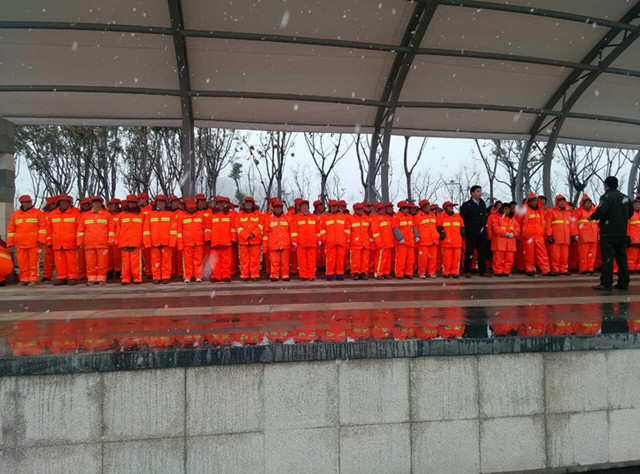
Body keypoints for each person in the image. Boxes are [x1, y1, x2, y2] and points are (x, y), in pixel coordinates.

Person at [590, 176, 632, 290]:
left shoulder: (606, 197)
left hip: (608, 233)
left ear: (606, 185)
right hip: (622, 232)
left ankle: (606, 282)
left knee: (608, 258)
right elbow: (630, 213)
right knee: (622, 258)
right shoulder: (625, 198)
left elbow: (602, 211)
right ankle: (624, 282)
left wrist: (592, 217)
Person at [6, 195, 46, 286]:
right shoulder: (16, 214)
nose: (29, 203)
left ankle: (33, 278)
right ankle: (24, 279)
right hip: (20, 243)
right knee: (22, 262)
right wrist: (10, 243)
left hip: (34, 242)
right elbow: (11, 230)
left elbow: (43, 228)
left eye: (29, 202)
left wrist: (41, 240)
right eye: (27, 202)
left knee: (33, 261)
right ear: (22, 203)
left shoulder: (38, 213)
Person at [78, 196, 113, 285]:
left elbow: (111, 229)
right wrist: (80, 241)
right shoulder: (85, 216)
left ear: (101, 204)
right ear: (92, 204)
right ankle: (91, 279)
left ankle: (101, 278)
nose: (97, 205)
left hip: (103, 243)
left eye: (98, 203)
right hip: (89, 243)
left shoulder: (107, 215)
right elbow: (81, 230)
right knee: (90, 262)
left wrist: (110, 240)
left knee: (103, 262)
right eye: (95, 203)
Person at [47, 195, 81, 286]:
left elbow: (79, 228)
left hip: (71, 242)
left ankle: (72, 277)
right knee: (59, 261)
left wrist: (79, 241)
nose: (64, 204)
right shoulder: (52, 214)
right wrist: (49, 241)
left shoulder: (75, 213)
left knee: (72, 261)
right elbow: (49, 229)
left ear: (69, 203)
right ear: (59, 203)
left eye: (66, 202)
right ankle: (62, 277)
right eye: (62, 202)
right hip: (57, 242)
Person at [517, 193, 552, 277]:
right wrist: (518, 236)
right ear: (529, 202)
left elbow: (545, 224)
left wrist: (547, 234)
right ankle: (530, 269)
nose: (534, 202)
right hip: (528, 236)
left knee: (542, 254)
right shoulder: (524, 211)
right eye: (532, 201)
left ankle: (546, 270)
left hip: (539, 236)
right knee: (529, 255)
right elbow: (518, 223)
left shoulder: (540, 211)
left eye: (535, 200)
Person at [459, 185, 490, 278]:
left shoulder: (482, 204)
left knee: (482, 252)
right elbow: (463, 219)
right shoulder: (466, 205)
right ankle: (467, 270)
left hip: (481, 232)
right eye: (477, 191)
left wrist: (483, 228)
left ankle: (482, 270)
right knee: (469, 252)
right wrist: (466, 230)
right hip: (471, 232)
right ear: (472, 193)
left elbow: (484, 218)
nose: (479, 193)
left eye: (480, 191)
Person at [143, 195, 174, 284]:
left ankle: (165, 276)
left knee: (166, 261)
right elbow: (146, 230)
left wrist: (172, 242)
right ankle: (156, 277)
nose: (161, 204)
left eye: (162, 202)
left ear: (165, 203)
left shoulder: (170, 214)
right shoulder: (150, 215)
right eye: (159, 202)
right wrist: (147, 242)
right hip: (154, 242)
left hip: (166, 241)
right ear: (156, 203)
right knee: (155, 260)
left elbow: (173, 230)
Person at [175, 197, 206, 283]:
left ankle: (198, 276)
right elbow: (179, 232)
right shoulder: (181, 216)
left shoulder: (201, 215)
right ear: (186, 207)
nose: (191, 209)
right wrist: (180, 244)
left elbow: (205, 229)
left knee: (198, 260)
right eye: (190, 208)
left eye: (193, 207)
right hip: (187, 242)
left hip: (198, 241)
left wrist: (205, 239)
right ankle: (187, 276)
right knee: (187, 260)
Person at [115, 195, 145, 285]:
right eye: (131, 203)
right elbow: (118, 229)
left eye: (134, 203)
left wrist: (143, 241)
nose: (132, 204)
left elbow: (145, 229)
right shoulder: (122, 215)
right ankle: (125, 279)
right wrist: (117, 240)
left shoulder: (142, 215)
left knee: (136, 262)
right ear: (128, 203)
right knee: (125, 263)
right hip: (124, 241)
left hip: (136, 241)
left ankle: (137, 278)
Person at [545, 195, 576, 276]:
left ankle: (564, 270)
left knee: (565, 256)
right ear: (557, 202)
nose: (562, 203)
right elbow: (548, 225)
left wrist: (572, 235)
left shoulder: (569, 213)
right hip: (556, 238)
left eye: (563, 201)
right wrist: (549, 235)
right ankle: (556, 270)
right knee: (555, 255)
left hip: (566, 238)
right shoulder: (551, 212)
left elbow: (572, 225)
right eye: (560, 201)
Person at [236, 196, 264, 282]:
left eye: (250, 203)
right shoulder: (239, 215)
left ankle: (254, 275)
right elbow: (238, 227)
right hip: (243, 241)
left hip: (255, 240)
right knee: (243, 259)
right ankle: (244, 275)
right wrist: (246, 235)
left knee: (255, 259)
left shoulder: (258, 214)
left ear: (253, 204)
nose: (248, 204)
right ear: (244, 204)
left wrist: (253, 234)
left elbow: (261, 225)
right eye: (246, 203)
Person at [321, 200, 350, 281]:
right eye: (332, 206)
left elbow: (347, 228)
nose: (334, 208)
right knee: (330, 259)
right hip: (330, 242)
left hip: (341, 241)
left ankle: (339, 273)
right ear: (330, 207)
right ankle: (329, 274)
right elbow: (322, 229)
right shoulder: (326, 217)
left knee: (340, 259)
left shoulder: (343, 216)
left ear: (338, 207)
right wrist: (325, 238)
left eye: (335, 206)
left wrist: (345, 237)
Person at [292, 200, 321, 281]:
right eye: (303, 207)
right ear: (300, 208)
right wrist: (294, 240)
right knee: (302, 261)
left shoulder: (314, 217)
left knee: (312, 260)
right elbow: (294, 230)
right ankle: (303, 275)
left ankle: (311, 275)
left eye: (306, 207)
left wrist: (319, 239)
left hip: (312, 242)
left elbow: (318, 230)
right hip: (301, 243)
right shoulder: (296, 218)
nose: (305, 208)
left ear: (309, 208)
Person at [264, 200, 291, 281]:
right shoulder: (269, 219)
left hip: (285, 243)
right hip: (273, 244)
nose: (278, 209)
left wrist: (293, 243)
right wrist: (265, 246)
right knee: (274, 261)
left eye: (280, 207)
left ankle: (285, 275)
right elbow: (265, 233)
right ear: (274, 208)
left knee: (285, 261)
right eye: (277, 208)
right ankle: (274, 275)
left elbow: (292, 232)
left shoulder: (287, 218)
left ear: (282, 208)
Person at [209, 196, 235, 283]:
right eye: (219, 203)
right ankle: (216, 275)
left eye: (222, 203)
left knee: (226, 261)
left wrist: (233, 239)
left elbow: (233, 228)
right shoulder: (211, 215)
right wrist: (208, 239)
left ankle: (226, 275)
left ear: (225, 204)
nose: (221, 205)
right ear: (217, 204)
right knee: (215, 261)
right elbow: (208, 228)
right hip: (214, 242)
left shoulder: (230, 215)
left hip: (226, 241)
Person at [437, 201, 465, 278]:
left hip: (457, 241)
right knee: (447, 259)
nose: (451, 208)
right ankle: (446, 272)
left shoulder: (458, 216)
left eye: (452, 206)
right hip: (446, 241)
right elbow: (439, 228)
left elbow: (462, 227)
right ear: (445, 208)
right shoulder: (441, 216)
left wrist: (462, 236)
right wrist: (442, 236)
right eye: (449, 206)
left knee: (456, 258)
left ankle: (455, 272)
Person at [491, 203, 520, 277]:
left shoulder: (513, 219)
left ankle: (506, 271)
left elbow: (518, 229)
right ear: (502, 209)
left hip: (510, 243)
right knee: (498, 258)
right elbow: (495, 229)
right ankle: (498, 271)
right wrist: (505, 233)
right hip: (499, 242)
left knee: (509, 258)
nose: (507, 211)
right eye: (506, 209)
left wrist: (513, 234)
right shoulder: (496, 218)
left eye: (509, 209)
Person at [392, 201, 418, 279]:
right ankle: (399, 274)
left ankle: (408, 273)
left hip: (410, 241)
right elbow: (395, 228)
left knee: (410, 259)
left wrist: (416, 236)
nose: (408, 210)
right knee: (401, 259)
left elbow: (414, 227)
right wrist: (400, 238)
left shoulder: (410, 217)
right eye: (406, 208)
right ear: (402, 209)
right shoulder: (396, 217)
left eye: (408, 209)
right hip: (402, 242)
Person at [574, 194, 598, 274]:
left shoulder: (594, 212)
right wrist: (576, 234)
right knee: (583, 254)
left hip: (593, 236)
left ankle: (590, 269)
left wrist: (598, 233)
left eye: (590, 203)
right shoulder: (578, 211)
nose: (589, 204)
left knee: (592, 254)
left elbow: (597, 223)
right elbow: (574, 223)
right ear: (583, 203)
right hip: (583, 236)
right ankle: (583, 269)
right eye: (587, 203)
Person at [415, 200, 440, 279]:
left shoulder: (432, 215)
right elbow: (415, 228)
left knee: (433, 258)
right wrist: (417, 236)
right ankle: (422, 273)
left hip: (433, 240)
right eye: (427, 205)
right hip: (423, 241)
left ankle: (432, 272)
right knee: (423, 258)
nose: (429, 207)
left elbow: (436, 226)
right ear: (423, 207)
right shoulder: (418, 216)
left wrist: (437, 235)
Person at [348, 202, 371, 280]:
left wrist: (370, 241)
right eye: (358, 209)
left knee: (365, 260)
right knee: (355, 260)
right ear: (354, 210)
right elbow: (348, 232)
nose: (360, 210)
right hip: (355, 243)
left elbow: (370, 232)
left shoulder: (367, 218)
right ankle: (355, 273)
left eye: (361, 209)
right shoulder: (350, 219)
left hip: (365, 243)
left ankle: (364, 272)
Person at [371, 202, 393, 279]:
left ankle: (385, 273)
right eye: (382, 208)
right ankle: (378, 273)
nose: (384, 210)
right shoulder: (375, 218)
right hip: (382, 243)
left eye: (384, 208)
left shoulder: (386, 217)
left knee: (387, 260)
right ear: (378, 210)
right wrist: (379, 243)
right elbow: (375, 233)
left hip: (388, 242)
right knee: (380, 259)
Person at [42, 196, 57, 282]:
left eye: (52, 204)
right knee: (48, 259)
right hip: (47, 240)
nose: (51, 206)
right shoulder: (43, 214)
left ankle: (61, 275)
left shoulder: (57, 213)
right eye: (49, 204)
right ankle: (47, 275)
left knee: (60, 259)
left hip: (57, 238)